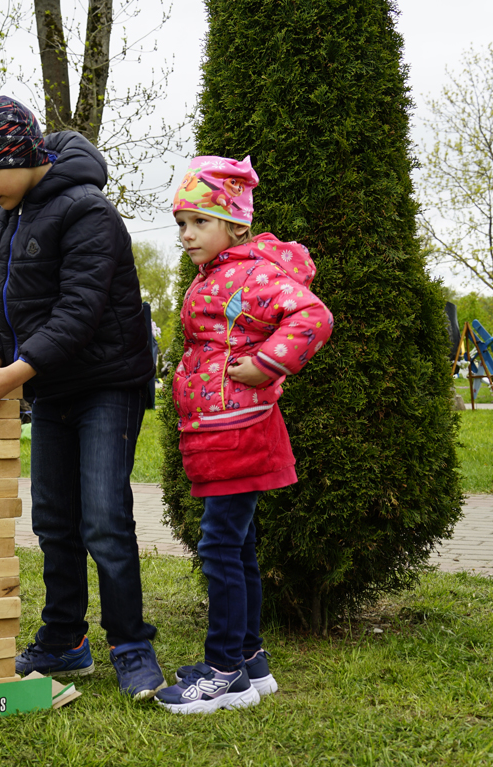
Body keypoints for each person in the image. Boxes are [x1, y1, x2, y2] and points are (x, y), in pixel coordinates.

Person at [0, 96, 163, 700]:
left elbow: (79, 313)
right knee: (52, 518)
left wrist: (14, 376)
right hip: (50, 385)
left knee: (103, 518)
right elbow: (1, 303)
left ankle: (131, 645)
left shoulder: (89, 210)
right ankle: (65, 641)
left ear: (18, 156)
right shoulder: (3, 217)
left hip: (106, 383)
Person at [152, 156, 333, 715]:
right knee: (238, 546)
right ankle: (251, 662)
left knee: (220, 548)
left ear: (234, 224)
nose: (187, 234)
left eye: (200, 222)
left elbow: (313, 318)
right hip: (221, 429)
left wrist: (267, 364)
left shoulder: (252, 274)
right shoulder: (218, 274)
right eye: (182, 223)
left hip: (237, 431)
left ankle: (224, 672)